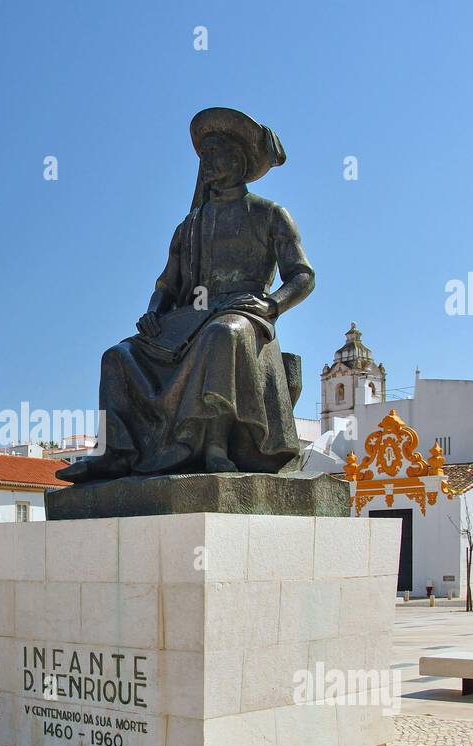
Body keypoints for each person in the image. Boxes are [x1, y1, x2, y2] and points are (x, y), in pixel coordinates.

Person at [60, 107, 315, 483]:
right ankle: (116, 451)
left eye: (214, 153)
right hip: (187, 316)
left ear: (238, 158)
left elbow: (303, 275)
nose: (206, 162)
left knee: (223, 334)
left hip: (244, 313)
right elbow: (166, 283)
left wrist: (272, 303)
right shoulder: (189, 225)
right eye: (203, 155)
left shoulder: (269, 214)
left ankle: (215, 444)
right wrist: (153, 311)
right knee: (117, 356)